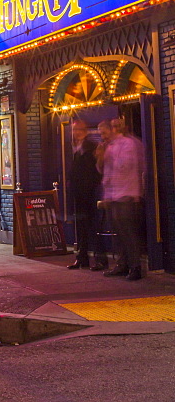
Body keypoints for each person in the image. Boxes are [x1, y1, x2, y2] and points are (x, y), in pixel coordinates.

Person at [99, 117, 144, 280]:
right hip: (115, 196)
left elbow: (125, 166)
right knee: (119, 234)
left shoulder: (128, 144)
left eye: (104, 132)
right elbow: (107, 173)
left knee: (128, 233)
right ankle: (123, 265)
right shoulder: (110, 147)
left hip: (127, 195)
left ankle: (135, 267)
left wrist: (107, 155)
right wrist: (106, 196)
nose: (103, 136)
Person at [67, 120, 106, 271]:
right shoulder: (74, 147)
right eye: (74, 130)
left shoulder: (91, 147)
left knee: (93, 226)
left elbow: (95, 170)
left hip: (89, 192)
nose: (77, 133)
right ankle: (82, 258)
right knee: (81, 227)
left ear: (85, 131)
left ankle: (100, 259)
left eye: (79, 130)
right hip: (78, 193)